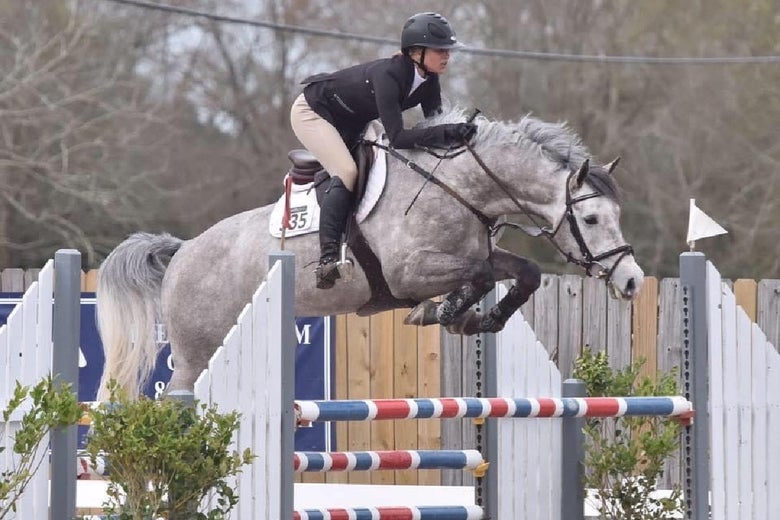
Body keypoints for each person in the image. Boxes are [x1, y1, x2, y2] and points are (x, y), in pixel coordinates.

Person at [290, 11, 477, 290]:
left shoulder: (429, 81)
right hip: (314, 112)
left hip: (354, 120)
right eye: (440, 50)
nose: (447, 56)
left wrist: (458, 134)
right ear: (416, 51)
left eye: (448, 50)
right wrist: (447, 131)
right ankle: (327, 258)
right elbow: (400, 137)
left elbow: (434, 125)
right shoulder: (388, 75)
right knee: (347, 170)